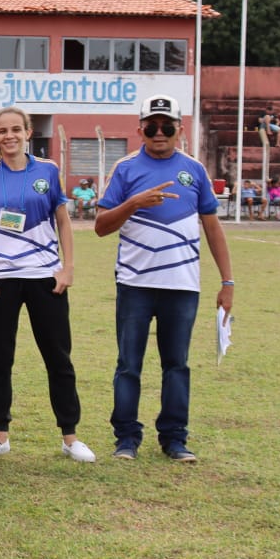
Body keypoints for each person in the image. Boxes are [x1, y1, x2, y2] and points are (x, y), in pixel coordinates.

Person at [96, 95, 233, 463]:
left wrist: (228, 282)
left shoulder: (195, 170)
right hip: (135, 285)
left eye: (167, 126)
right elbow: (101, 226)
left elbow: (212, 226)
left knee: (177, 364)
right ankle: (126, 438)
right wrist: (133, 204)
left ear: (179, 129)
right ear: (140, 129)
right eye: (152, 126)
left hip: (182, 286)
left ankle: (174, 438)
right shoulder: (125, 169)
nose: (159, 133)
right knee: (129, 364)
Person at [0, 107, 94, 463]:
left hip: (45, 277)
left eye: (16, 130)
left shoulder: (48, 171)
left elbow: (63, 222)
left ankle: (70, 437)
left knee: (58, 358)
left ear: (28, 132)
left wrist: (67, 269)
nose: (9, 136)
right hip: (1, 280)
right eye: (2, 131)